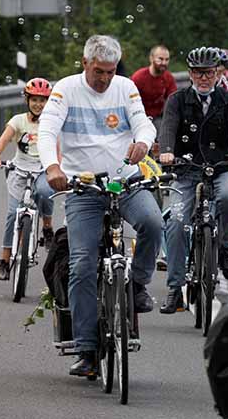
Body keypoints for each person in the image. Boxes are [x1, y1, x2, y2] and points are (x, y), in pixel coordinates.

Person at [38, 35, 162, 378]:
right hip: (84, 187)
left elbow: (143, 122)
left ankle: (136, 286)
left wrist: (143, 142)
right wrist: (52, 166)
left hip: (126, 182)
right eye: (98, 72)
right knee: (81, 263)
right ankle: (87, 348)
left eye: (110, 71)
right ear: (84, 63)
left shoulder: (125, 87)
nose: (104, 79)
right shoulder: (65, 89)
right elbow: (47, 130)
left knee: (153, 223)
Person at [157, 47, 228, 313]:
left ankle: (226, 248)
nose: (204, 78)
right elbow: (168, 128)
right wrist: (166, 151)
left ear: (217, 73)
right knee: (175, 222)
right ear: (190, 74)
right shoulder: (177, 100)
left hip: (220, 168)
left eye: (208, 73)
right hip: (186, 170)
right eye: (198, 73)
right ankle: (175, 287)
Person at [0, 78, 56, 280]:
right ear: (27, 100)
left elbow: (58, 147)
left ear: (48, 102)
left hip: (43, 169)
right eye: (34, 100)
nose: (38, 104)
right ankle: (4, 260)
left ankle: (47, 227)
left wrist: (57, 167)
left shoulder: (51, 122)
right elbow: (3, 140)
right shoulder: (18, 121)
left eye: (43, 101)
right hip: (19, 170)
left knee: (46, 192)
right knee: (12, 214)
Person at [130, 45, 178, 132]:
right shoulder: (138, 77)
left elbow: (173, 100)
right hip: (140, 117)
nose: (164, 62)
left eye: (167, 59)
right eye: (160, 59)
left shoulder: (168, 77)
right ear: (151, 58)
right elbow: (130, 101)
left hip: (159, 118)